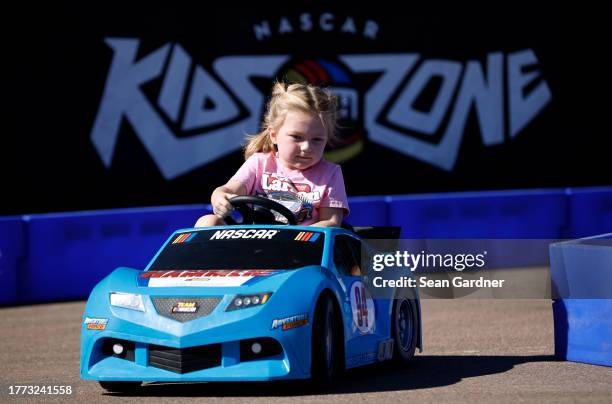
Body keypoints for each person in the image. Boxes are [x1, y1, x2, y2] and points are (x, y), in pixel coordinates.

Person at [195, 81, 349, 227]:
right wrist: (220, 199)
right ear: (274, 135)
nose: (307, 147)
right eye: (296, 137)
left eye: (317, 139)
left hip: (302, 250)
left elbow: (331, 223)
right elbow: (227, 190)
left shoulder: (330, 174)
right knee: (207, 221)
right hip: (252, 244)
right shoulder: (259, 163)